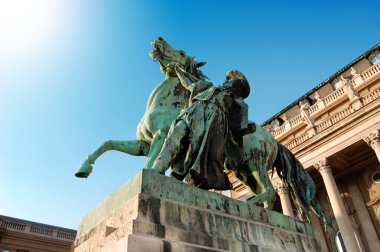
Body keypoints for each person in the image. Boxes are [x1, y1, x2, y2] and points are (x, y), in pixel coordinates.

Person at [151, 65, 252, 190]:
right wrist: (179, 71)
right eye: (228, 80)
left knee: (200, 152)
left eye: (231, 81)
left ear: (237, 87)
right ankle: (158, 167)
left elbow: (239, 127)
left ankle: (196, 181)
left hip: (215, 121)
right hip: (195, 110)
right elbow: (189, 84)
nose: (226, 81)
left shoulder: (238, 103)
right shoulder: (208, 87)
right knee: (177, 132)